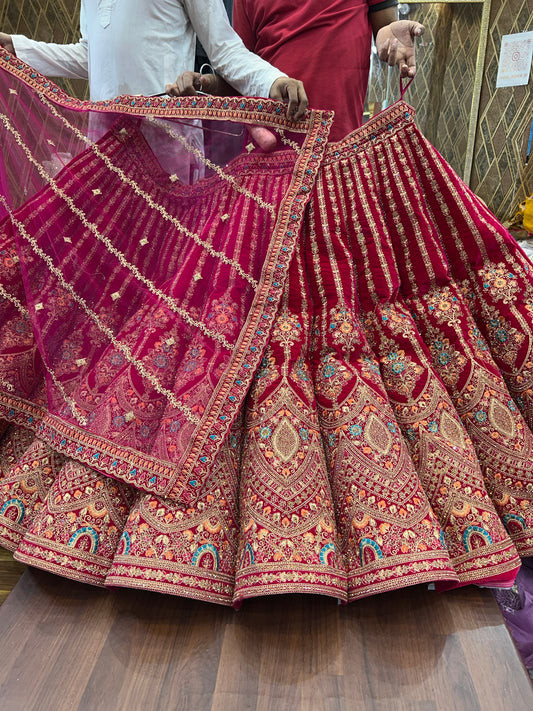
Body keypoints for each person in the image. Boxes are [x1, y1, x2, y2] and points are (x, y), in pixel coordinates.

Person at [0, 0, 307, 119]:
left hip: (169, 144)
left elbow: (226, 51)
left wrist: (272, 80)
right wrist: (16, 48)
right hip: (105, 145)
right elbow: (89, 56)